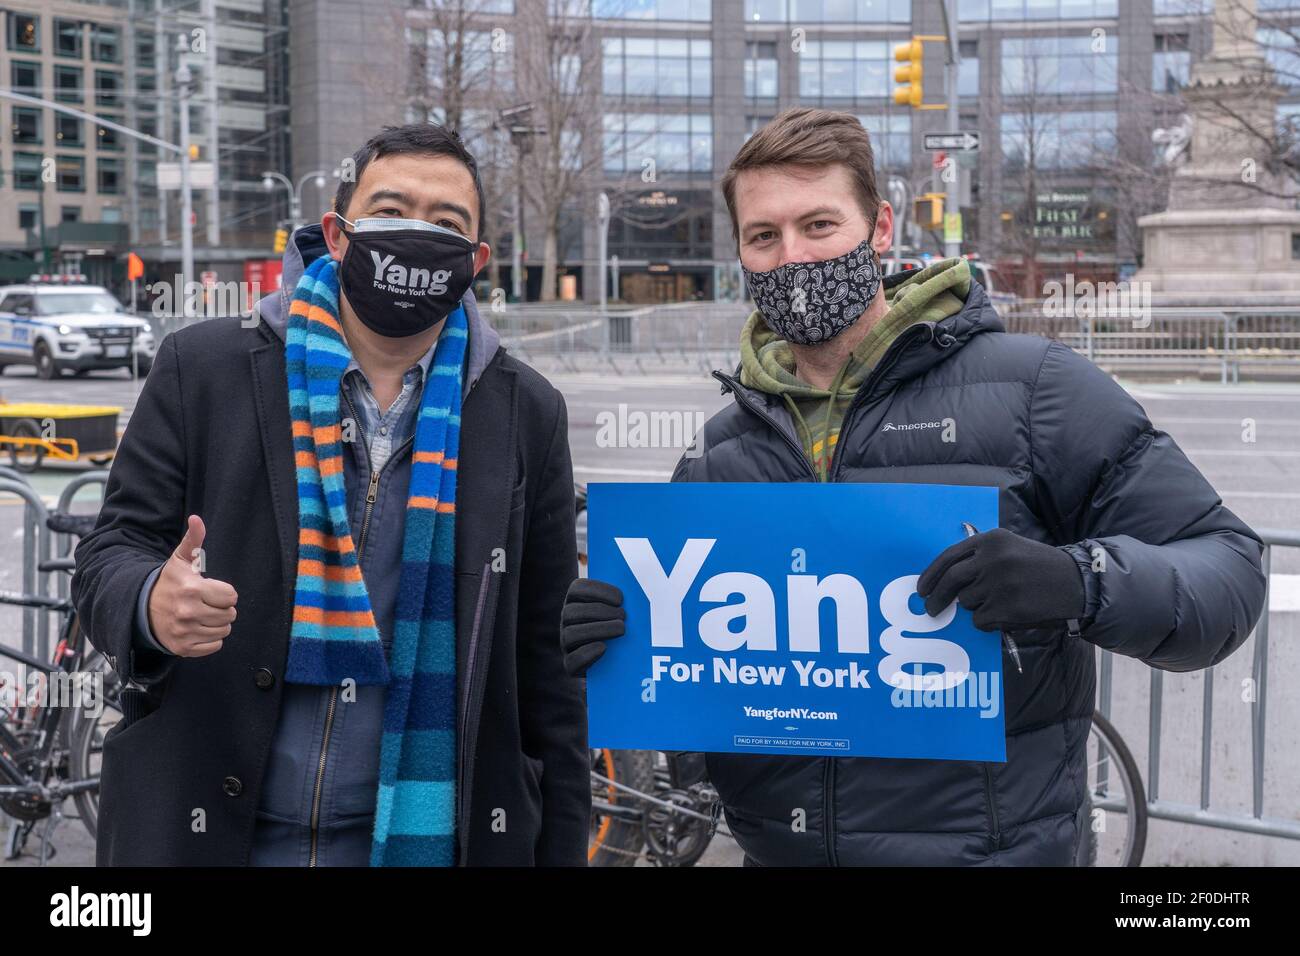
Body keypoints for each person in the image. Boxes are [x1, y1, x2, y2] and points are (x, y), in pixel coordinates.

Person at [561, 108, 1267, 866]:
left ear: (881, 229)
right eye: (764, 236)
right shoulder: (720, 450)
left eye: (820, 226)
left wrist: (1080, 580)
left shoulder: (1036, 390)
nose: (793, 258)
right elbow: (700, 710)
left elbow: (1226, 569)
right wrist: (617, 645)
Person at [73, 123, 589, 866]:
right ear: (339, 234)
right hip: (210, 834)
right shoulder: (203, 370)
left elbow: (548, 675)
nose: (415, 235)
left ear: (476, 261)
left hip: (422, 843)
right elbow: (107, 555)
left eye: (446, 224)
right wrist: (150, 599)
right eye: (389, 212)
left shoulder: (525, 412)